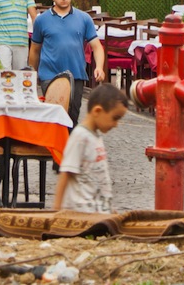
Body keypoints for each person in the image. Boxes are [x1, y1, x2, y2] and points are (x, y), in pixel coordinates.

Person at [29, 0, 105, 126]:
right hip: (50, 75)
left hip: (76, 74)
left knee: (72, 117)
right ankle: (56, 148)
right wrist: (31, 75)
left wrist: (99, 67)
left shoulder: (84, 19)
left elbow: (96, 46)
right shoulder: (41, 20)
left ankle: (69, 148)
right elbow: (35, 50)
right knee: (55, 116)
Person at [52, 84, 129, 212]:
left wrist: (109, 208)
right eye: (115, 118)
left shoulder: (95, 137)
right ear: (97, 111)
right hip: (82, 213)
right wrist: (56, 210)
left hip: (98, 212)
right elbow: (65, 173)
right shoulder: (80, 136)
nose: (116, 125)